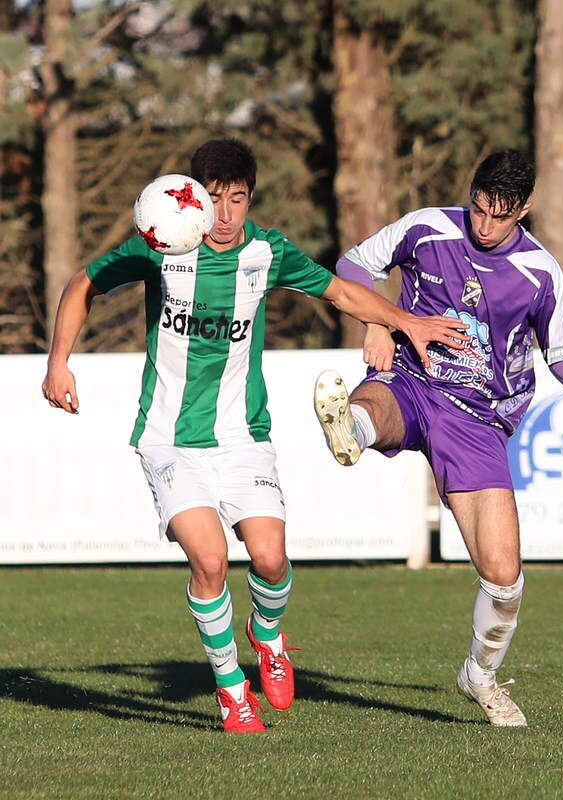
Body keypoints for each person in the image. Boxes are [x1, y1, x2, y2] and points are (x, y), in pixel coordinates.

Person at [42, 137, 468, 733]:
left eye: (236, 201)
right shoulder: (159, 246)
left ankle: (267, 636)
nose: (223, 215)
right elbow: (81, 283)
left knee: (269, 560)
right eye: (212, 200)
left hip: (244, 436)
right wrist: (58, 361)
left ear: (250, 201)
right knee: (211, 559)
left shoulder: (269, 252)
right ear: (188, 198)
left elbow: (342, 292)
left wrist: (404, 322)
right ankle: (231, 691)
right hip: (169, 439)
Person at [313, 149, 563, 727]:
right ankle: (354, 428)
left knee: (504, 576)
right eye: (480, 209)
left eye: (501, 216)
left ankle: (480, 675)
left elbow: (558, 352)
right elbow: (352, 263)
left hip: (478, 417)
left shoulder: (542, 273)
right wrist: (378, 320)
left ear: (527, 209)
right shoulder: (427, 227)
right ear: (471, 192)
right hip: (412, 378)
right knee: (376, 400)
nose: (486, 226)